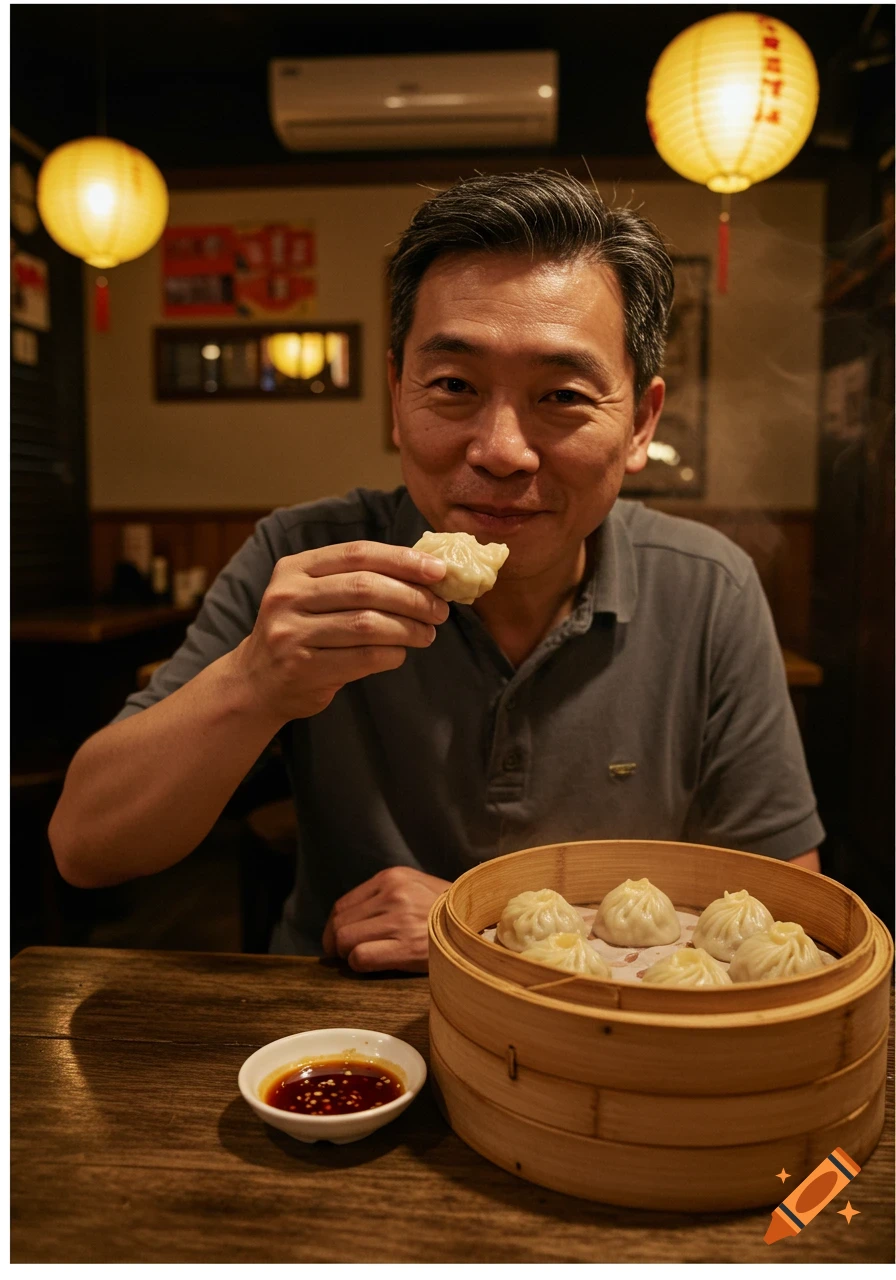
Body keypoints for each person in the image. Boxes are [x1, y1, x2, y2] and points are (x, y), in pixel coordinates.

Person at [49, 170, 823, 972]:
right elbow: (86, 848)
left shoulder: (706, 586)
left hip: (605, 1030)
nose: (499, 451)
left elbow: (784, 904)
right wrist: (255, 682)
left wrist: (477, 931)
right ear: (396, 394)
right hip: (335, 1022)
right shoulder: (307, 560)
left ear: (640, 422)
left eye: (561, 395)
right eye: (454, 385)